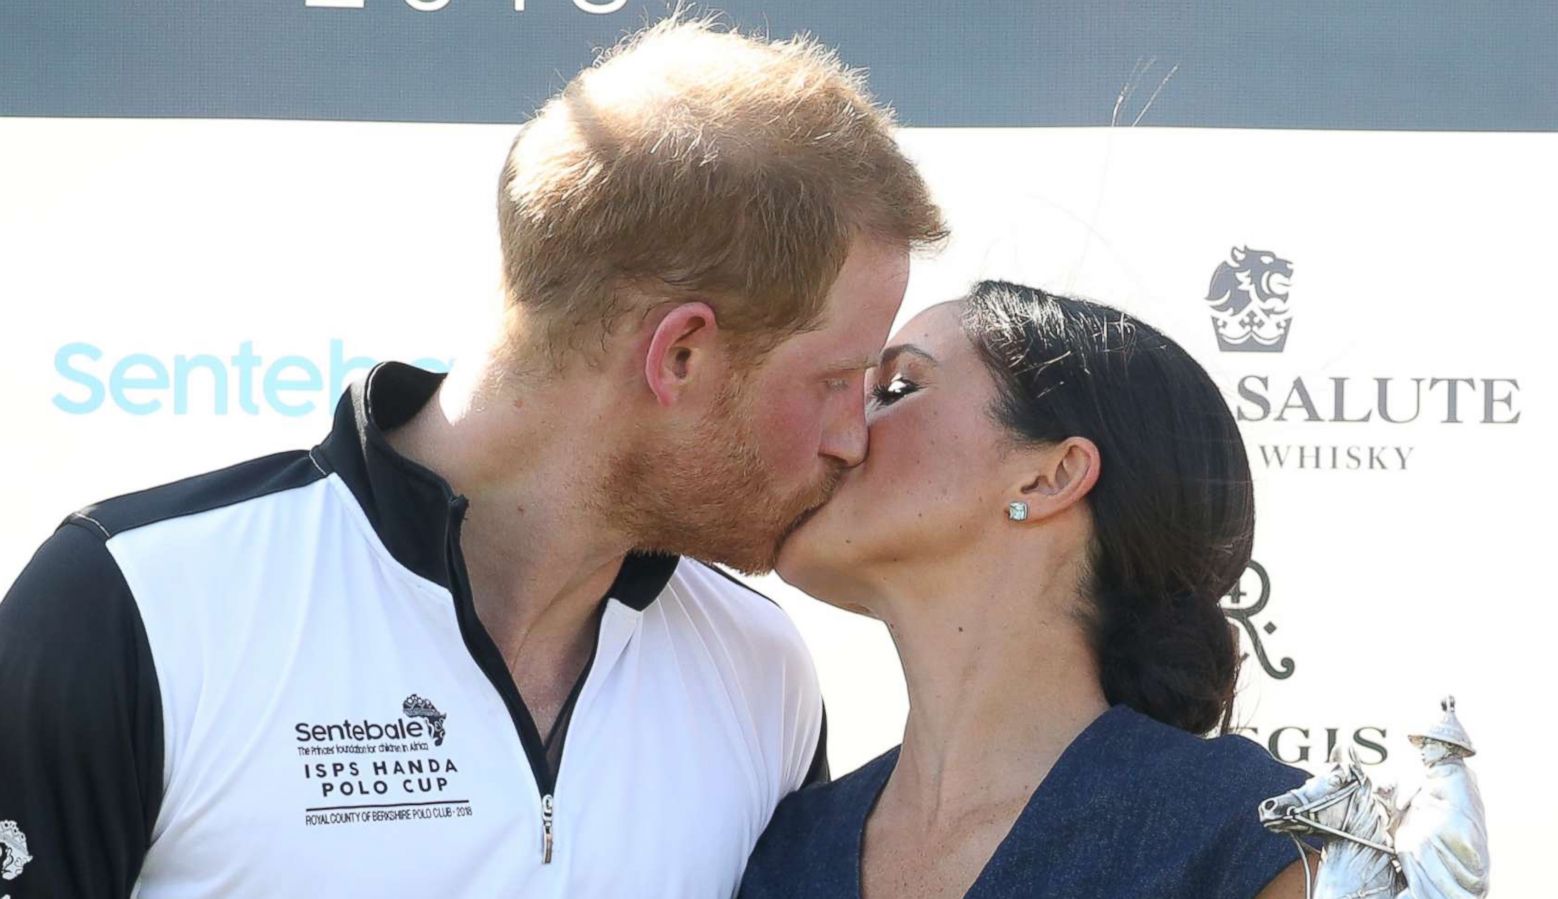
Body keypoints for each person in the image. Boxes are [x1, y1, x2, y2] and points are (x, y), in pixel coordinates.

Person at [0, 17, 944, 898]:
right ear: (680, 355)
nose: (851, 437)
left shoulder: (760, 665)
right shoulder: (138, 603)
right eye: (836, 379)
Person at [739, 281, 1310, 898]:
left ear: (1049, 478)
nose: (839, 430)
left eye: (897, 389)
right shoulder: (783, 849)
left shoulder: (1256, 834)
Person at [1394, 697, 1490, 898]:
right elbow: (1412, 818)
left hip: (1448, 877)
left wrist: (1411, 837)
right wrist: (1393, 812)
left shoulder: (1459, 781)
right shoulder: (1430, 780)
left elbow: (1461, 831)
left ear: (1447, 747)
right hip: (1418, 868)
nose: (1423, 749)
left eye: (1428, 743)